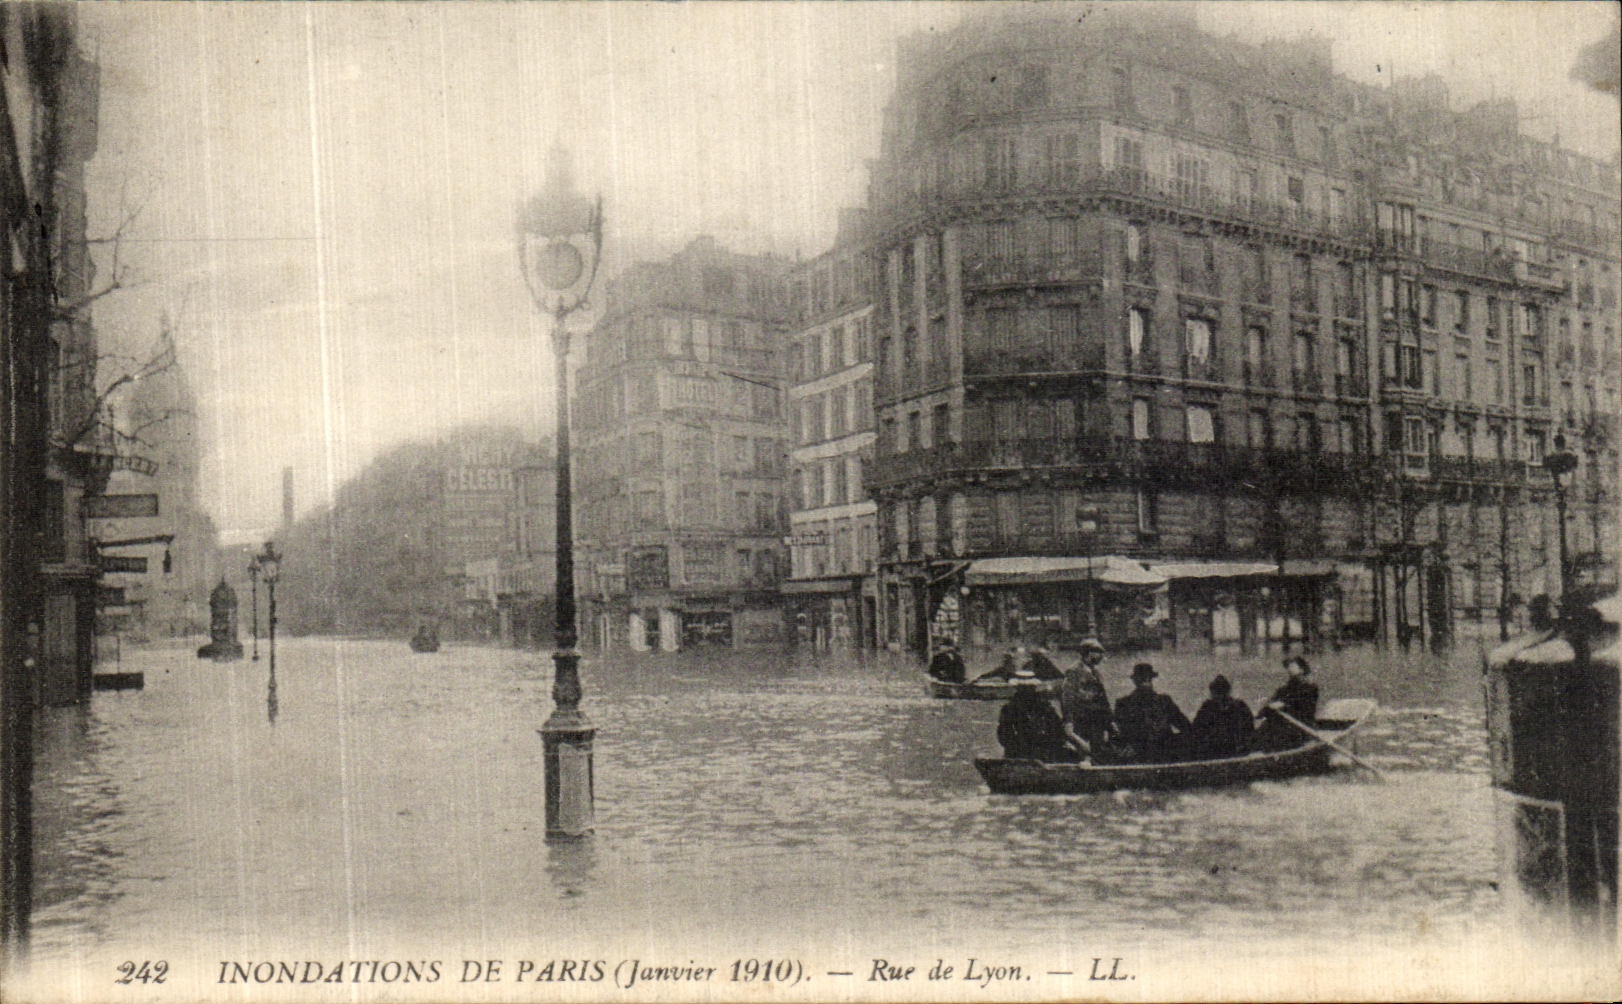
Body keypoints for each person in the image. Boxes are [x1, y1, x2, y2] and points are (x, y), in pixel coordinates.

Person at [1112, 662, 1191, 762]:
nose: (1145, 683)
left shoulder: (1164, 701)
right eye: (1142, 679)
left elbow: (1185, 726)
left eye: (1147, 679)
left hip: (1164, 753)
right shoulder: (1123, 704)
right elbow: (1116, 733)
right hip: (1138, 755)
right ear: (1135, 682)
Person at [996, 667, 1074, 762]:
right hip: (1021, 752)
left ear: (1033, 688)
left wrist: (1048, 743)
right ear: (1018, 689)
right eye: (1023, 688)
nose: (1027, 691)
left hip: (1045, 750)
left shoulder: (1045, 707)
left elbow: (1058, 730)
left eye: (1029, 688)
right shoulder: (1010, 709)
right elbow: (1005, 737)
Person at [1060, 639, 1116, 760]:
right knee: (1084, 752)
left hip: (1097, 720)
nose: (1102, 656)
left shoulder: (1096, 672)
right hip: (1082, 719)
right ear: (1089, 653)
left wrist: (1110, 720)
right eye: (1099, 653)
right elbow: (1067, 698)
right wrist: (1068, 721)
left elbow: (1103, 698)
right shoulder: (1074, 671)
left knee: (1099, 751)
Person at [1254, 655, 1321, 752]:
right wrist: (1260, 713)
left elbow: (1305, 708)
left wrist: (1284, 706)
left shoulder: (1310, 688)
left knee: (1280, 735)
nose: (1289, 668)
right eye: (1288, 666)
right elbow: (1271, 703)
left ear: (1302, 669)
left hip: (1301, 725)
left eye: (1293, 666)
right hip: (1284, 723)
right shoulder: (1284, 689)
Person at [1189, 674, 1253, 759]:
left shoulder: (1208, 707)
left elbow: (1196, 730)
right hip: (1222, 750)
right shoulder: (1208, 707)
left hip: (1226, 749)